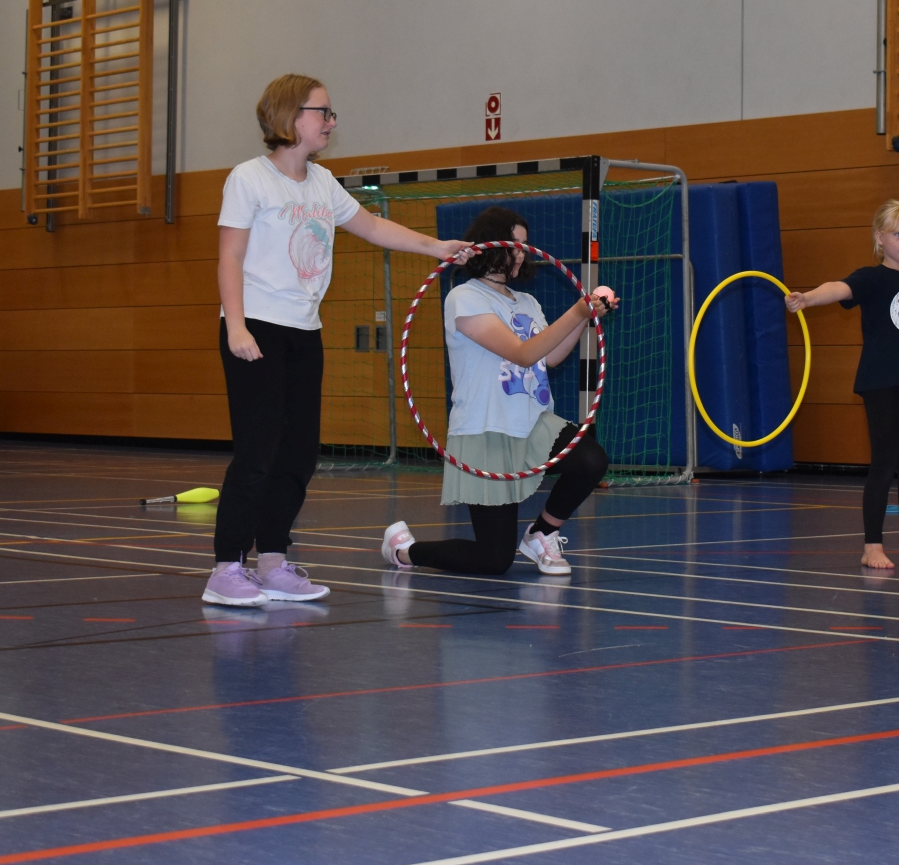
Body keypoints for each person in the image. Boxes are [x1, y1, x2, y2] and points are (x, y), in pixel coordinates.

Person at [204, 73, 472, 607]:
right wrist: (235, 326)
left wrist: (436, 246)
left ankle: (273, 561)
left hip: (305, 331)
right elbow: (229, 256)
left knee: (298, 456)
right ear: (290, 114)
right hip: (256, 326)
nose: (330, 122)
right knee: (257, 453)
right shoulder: (249, 178)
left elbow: (372, 227)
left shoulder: (323, 183)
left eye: (330, 113)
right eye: (322, 112)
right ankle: (226, 568)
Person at [382, 206, 611, 577]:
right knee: (493, 559)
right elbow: (522, 354)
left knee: (590, 460)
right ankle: (405, 551)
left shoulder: (527, 302)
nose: (521, 253)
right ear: (491, 245)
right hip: (485, 429)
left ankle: (542, 533)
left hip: (533, 422)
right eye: (514, 245)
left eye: (523, 246)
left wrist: (585, 318)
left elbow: (550, 357)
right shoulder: (464, 298)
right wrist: (577, 311)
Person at [785, 200, 899, 570]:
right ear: (879, 238)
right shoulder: (873, 278)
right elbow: (839, 288)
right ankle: (872, 546)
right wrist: (807, 298)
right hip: (882, 383)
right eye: (898, 234)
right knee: (884, 464)